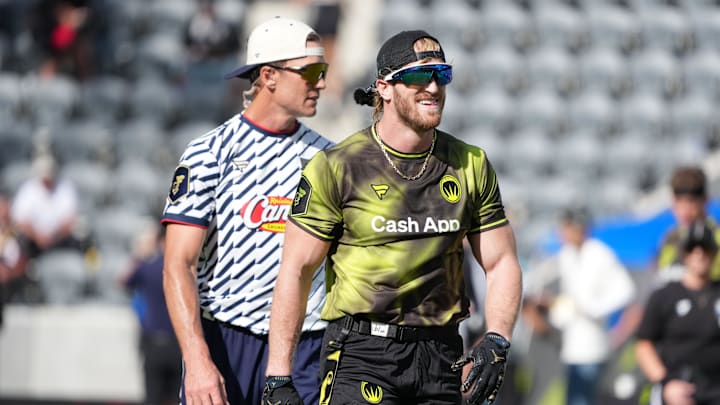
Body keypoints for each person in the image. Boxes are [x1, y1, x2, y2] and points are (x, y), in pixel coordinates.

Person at [264, 30, 523, 405]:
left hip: (442, 355)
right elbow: (295, 271)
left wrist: (497, 337)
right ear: (384, 87)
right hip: (361, 354)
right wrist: (278, 375)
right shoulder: (337, 166)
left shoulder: (471, 163)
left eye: (442, 74)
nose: (433, 87)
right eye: (420, 76)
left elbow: (501, 263)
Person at [161, 17, 333, 405]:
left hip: (305, 346)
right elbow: (178, 264)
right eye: (311, 71)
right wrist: (198, 360)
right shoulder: (209, 153)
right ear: (269, 76)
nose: (321, 83)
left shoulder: (331, 159)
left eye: (324, 71)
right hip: (226, 341)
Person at [523, 206, 636, 405]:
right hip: (572, 343)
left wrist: (593, 308)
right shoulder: (567, 255)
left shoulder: (599, 253)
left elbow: (625, 290)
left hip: (592, 345)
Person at [635, 219, 720, 405]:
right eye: (692, 248)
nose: (699, 254)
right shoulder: (665, 295)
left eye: (705, 248)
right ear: (684, 254)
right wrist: (666, 382)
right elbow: (644, 345)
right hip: (679, 386)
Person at [120, 223, 181, 405]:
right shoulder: (183, 269)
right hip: (179, 343)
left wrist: (141, 255)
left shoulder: (148, 267)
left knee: (153, 397)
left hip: (153, 343)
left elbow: (123, 281)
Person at [10, 152, 80, 259]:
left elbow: (70, 220)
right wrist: (37, 236)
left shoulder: (65, 188)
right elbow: (21, 220)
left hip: (60, 239)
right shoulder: (28, 189)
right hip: (32, 242)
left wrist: (55, 236)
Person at [657, 165, 720, 282]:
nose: (685, 209)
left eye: (691, 202)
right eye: (679, 201)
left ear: (705, 201)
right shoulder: (669, 239)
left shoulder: (716, 236)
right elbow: (663, 277)